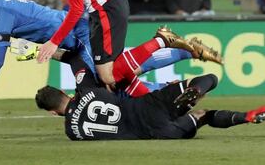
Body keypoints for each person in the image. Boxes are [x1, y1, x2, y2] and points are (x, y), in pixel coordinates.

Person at [0, 0, 220, 103]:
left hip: (78, 32)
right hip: (68, 39)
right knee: (115, 73)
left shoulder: (3, 13)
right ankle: (183, 53)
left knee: (113, 80)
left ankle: (165, 83)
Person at [35, 73, 265, 140]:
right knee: (209, 79)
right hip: (149, 104)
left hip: (155, 131)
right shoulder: (91, 91)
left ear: (53, 112)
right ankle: (195, 92)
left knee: (203, 116)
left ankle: (245, 117)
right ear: (63, 92)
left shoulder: (71, 132)